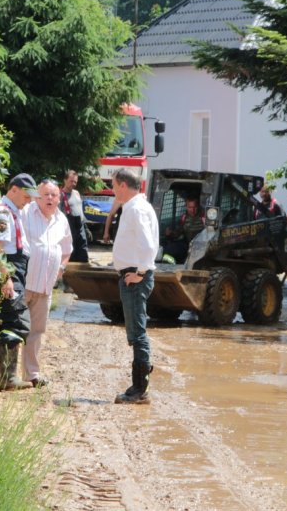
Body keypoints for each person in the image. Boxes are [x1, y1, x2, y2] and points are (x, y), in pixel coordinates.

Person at [0, 173, 40, 390]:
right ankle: (7, 377)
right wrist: (5, 277)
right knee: (14, 321)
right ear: (14, 190)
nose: (28, 201)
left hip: (14, 269)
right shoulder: (2, 211)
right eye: (26, 196)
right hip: (8, 269)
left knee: (3, 320)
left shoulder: (13, 211)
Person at [111, 168, 159, 404]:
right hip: (133, 274)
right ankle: (140, 387)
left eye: (113, 185)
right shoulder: (137, 207)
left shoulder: (136, 208)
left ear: (122, 185)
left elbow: (148, 245)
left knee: (137, 334)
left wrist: (140, 272)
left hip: (134, 277)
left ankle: (140, 390)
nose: (112, 190)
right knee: (136, 333)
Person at [21, 179, 73, 387]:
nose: (50, 198)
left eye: (54, 195)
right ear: (37, 196)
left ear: (59, 198)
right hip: (23, 283)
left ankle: (31, 374)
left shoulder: (62, 220)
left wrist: (62, 267)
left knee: (37, 331)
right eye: (46, 194)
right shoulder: (26, 213)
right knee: (14, 328)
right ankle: (4, 373)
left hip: (45, 287)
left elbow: (67, 249)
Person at [162, 197, 204, 263]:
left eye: (194, 207)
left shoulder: (204, 217)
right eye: (190, 207)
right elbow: (178, 232)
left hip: (201, 247)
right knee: (169, 249)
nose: (192, 210)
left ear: (198, 207)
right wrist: (170, 234)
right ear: (186, 207)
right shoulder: (184, 218)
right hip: (187, 245)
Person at [59, 170, 89, 262]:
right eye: (71, 181)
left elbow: (80, 210)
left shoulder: (76, 193)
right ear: (65, 180)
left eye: (75, 182)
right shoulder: (60, 195)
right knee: (70, 251)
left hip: (80, 225)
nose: (73, 183)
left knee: (83, 251)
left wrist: (86, 227)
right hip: (69, 226)